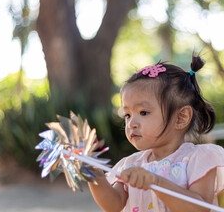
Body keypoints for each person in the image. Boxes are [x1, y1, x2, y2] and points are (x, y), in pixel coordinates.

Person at [88, 55, 224, 212]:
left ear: (181, 117)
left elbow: (199, 209)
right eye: (127, 115)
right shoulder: (131, 164)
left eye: (144, 112)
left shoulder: (199, 159)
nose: (131, 123)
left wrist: (157, 182)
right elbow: (113, 205)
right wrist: (93, 173)